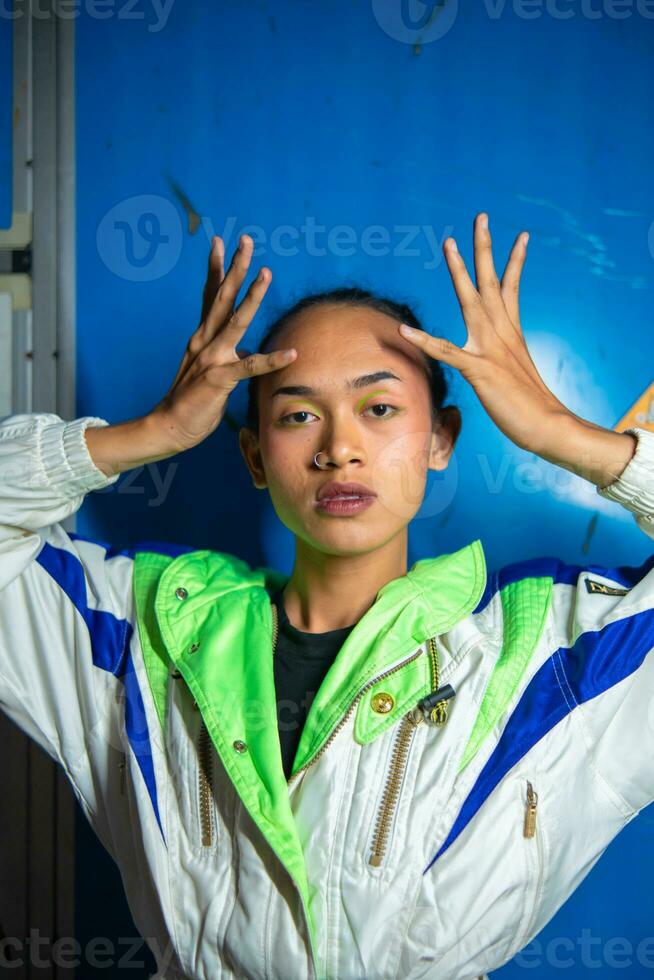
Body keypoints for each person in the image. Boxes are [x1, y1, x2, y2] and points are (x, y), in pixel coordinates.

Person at [0, 212, 652, 980]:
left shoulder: (547, 654)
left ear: (441, 438)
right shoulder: (142, 637)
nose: (339, 447)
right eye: (297, 414)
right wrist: (152, 433)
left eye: (379, 409)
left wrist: (560, 434)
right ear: (252, 455)